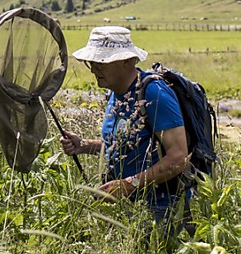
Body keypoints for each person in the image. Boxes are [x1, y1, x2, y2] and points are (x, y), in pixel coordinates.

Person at [60, 26, 192, 234]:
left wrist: (129, 184)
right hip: (127, 208)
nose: (94, 69)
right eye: (91, 63)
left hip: (161, 210)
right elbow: (127, 143)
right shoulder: (116, 93)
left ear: (127, 61)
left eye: (101, 62)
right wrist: (83, 146)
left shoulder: (154, 94)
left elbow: (178, 157)